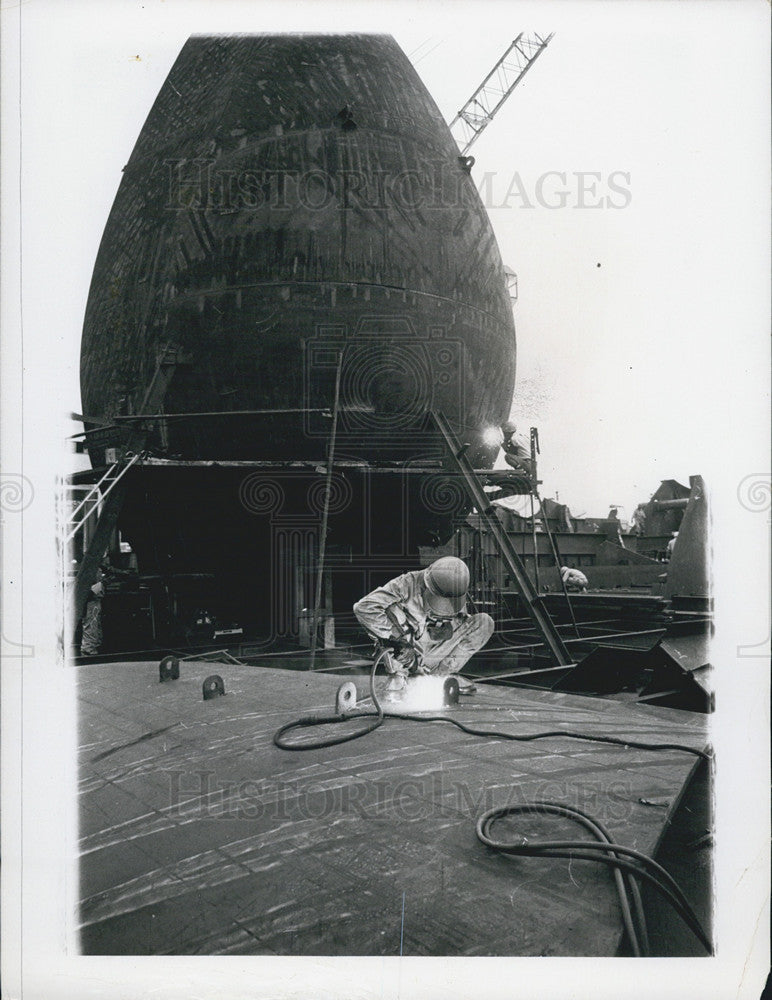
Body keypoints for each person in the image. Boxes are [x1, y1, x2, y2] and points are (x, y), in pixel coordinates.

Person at [353, 556, 493, 695]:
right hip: (406, 651)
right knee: (391, 610)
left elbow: (458, 623)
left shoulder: (455, 590)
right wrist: (394, 640)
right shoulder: (406, 583)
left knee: (484, 623)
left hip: (432, 649)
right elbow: (364, 608)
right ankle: (399, 676)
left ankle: (438, 677)